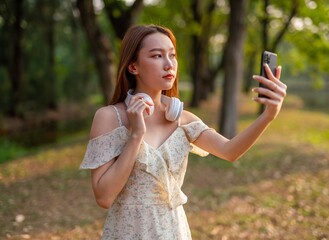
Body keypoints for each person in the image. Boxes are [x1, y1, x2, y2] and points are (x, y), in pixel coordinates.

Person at [80, 24, 287, 239]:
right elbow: (104, 198)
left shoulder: (183, 119)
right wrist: (136, 135)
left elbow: (229, 151)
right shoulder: (109, 117)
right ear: (133, 66)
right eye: (157, 56)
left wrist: (268, 115)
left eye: (172, 55)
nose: (169, 64)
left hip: (174, 231)